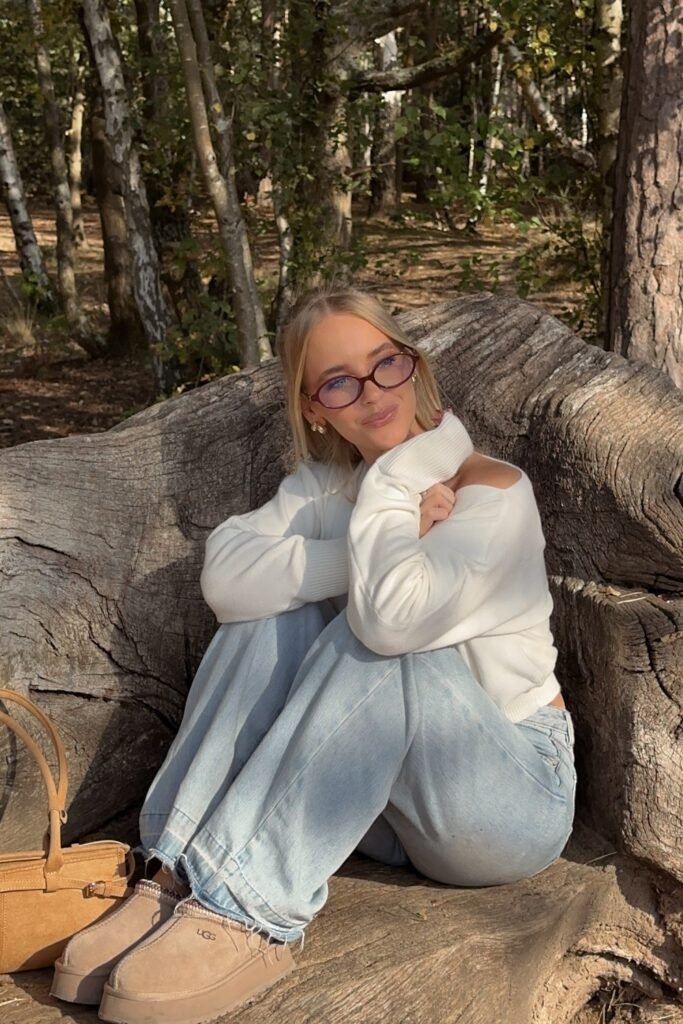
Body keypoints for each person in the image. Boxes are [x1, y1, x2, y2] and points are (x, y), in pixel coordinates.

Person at [50, 287, 576, 1024]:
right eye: (338, 381)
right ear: (313, 408)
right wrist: (357, 541)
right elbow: (227, 579)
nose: (370, 393)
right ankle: (175, 866)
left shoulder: (492, 490)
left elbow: (392, 623)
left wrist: (395, 482)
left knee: (376, 640)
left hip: (508, 800)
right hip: (385, 814)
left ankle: (247, 906)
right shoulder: (327, 489)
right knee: (263, 621)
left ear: (413, 366)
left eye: (383, 364)